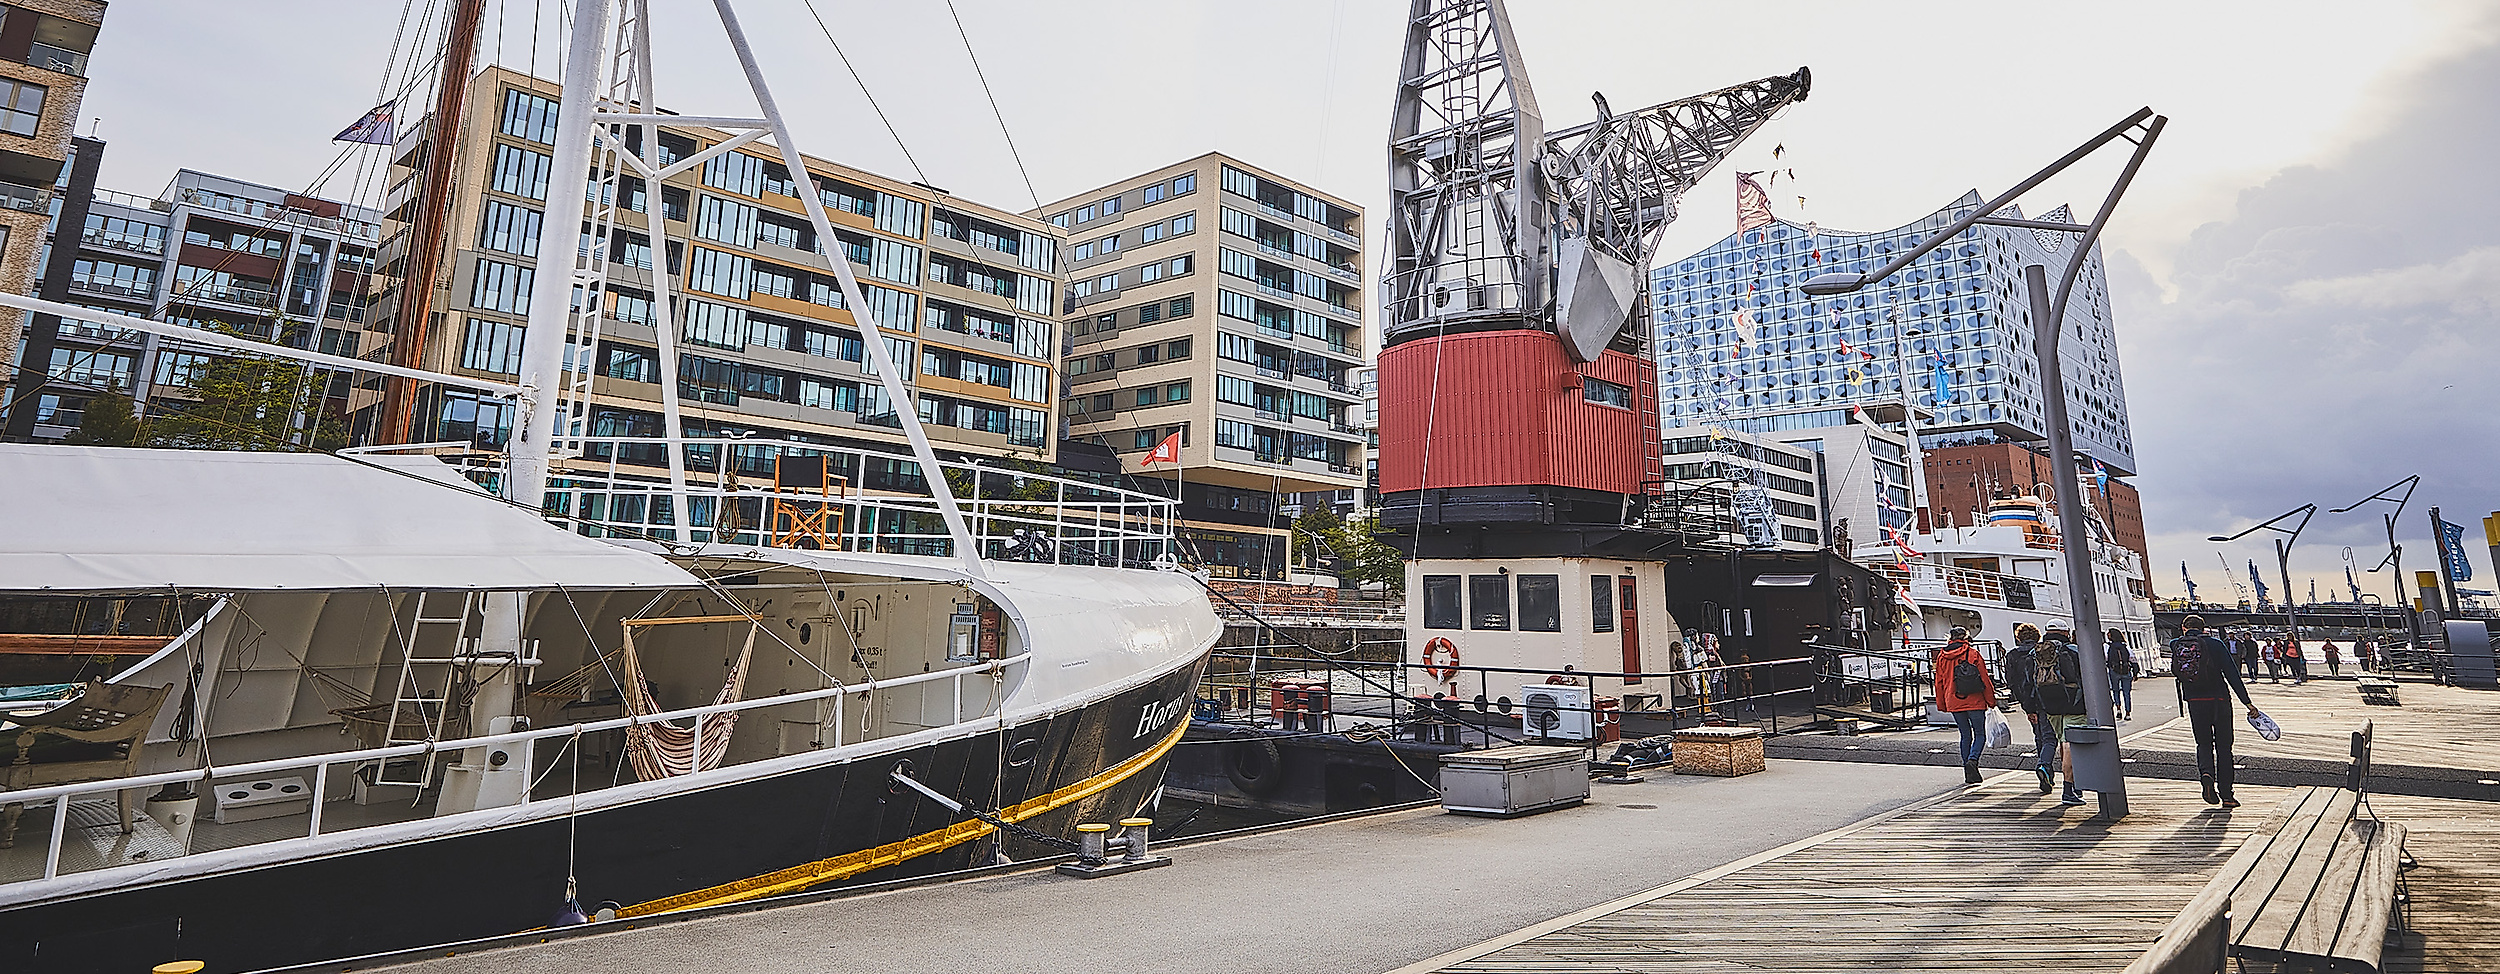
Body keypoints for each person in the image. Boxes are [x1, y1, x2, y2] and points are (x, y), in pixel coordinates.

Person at [2169, 615, 2260, 807]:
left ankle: (2206, 775)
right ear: (2204, 628)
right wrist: (2247, 702)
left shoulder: (2176, 644)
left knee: (2203, 743)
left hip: (2195, 701)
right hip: (2219, 701)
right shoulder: (2217, 645)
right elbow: (2232, 674)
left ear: (2184, 627)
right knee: (2224, 748)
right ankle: (2227, 795)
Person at [2035, 625, 2092, 806]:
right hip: (2074, 704)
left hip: (2049, 705)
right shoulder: (2074, 650)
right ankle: (2069, 788)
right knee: (2071, 746)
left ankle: (2071, 781)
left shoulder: (2035, 653)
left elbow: (2030, 681)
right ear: (2066, 632)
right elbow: (2087, 677)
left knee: (2062, 742)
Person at [1933, 626, 1997, 785]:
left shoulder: (1942, 656)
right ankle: (1973, 761)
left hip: (1953, 700)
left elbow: (1939, 682)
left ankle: (1968, 772)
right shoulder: (1973, 654)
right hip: (1975, 700)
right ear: (1966, 638)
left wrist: (1942, 703)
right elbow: (1984, 678)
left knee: (1965, 735)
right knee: (1980, 734)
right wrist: (1991, 700)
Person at [2001, 623, 2057, 793]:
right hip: (2048, 698)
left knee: (2039, 736)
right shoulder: (2043, 651)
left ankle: (2046, 774)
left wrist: (2026, 706)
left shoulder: (2012, 655)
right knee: (2050, 737)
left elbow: (2011, 681)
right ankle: (2045, 766)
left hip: (2028, 700)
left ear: (2019, 637)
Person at [2106, 627, 2138, 720]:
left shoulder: (2108, 646)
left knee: (2116, 691)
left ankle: (2118, 709)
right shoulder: (2126, 646)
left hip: (2114, 671)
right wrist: (2135, 672)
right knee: (2126, 693)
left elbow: (2106, 659)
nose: (2107, 635)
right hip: (2126, 671)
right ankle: (2128, 713)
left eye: (2109, 633)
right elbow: (2133, 660)